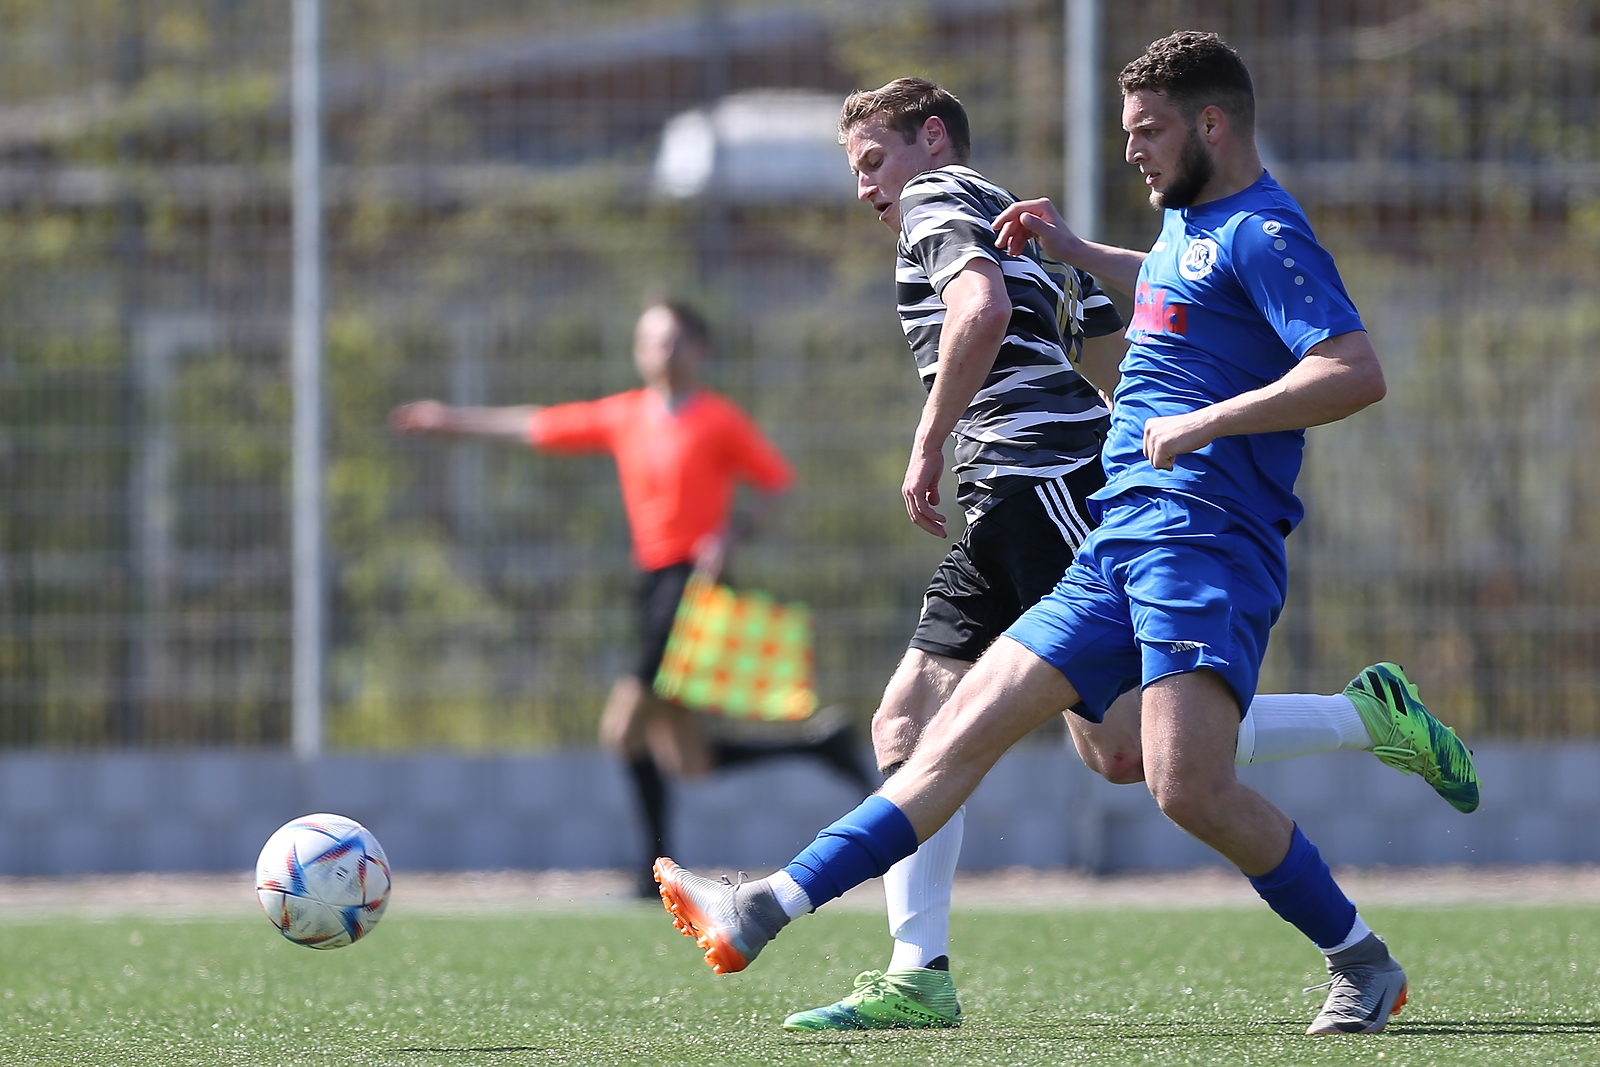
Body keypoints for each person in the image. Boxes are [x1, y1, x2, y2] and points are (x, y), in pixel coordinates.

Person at [654, 34, 1456, 1037]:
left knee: (1177, 778)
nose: (1131, 152)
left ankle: (1363, 958)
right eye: (1125, 133)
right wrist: (1080, 254)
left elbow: (1353, 368)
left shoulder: (1264, 230)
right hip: (1116, 530)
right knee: (940, 736)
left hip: (1199, 535)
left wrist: (1201, 421)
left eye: (1148, 131)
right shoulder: (1191, 230)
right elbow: (1167, 296)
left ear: (1212, 123)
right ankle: (766, 907)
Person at [391, 300, 874, 896]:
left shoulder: (718, 419)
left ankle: (656, 871)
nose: (660, 352)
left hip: (690, 587)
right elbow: (536, 423)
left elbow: (775, 484)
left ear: (698, 350)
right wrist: (452, 421)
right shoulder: (625, 414)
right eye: (650, 341)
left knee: (622, 730)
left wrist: (729, 534)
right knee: (689, 761)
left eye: (672, 341)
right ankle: (820, 745)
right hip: (650, 584)